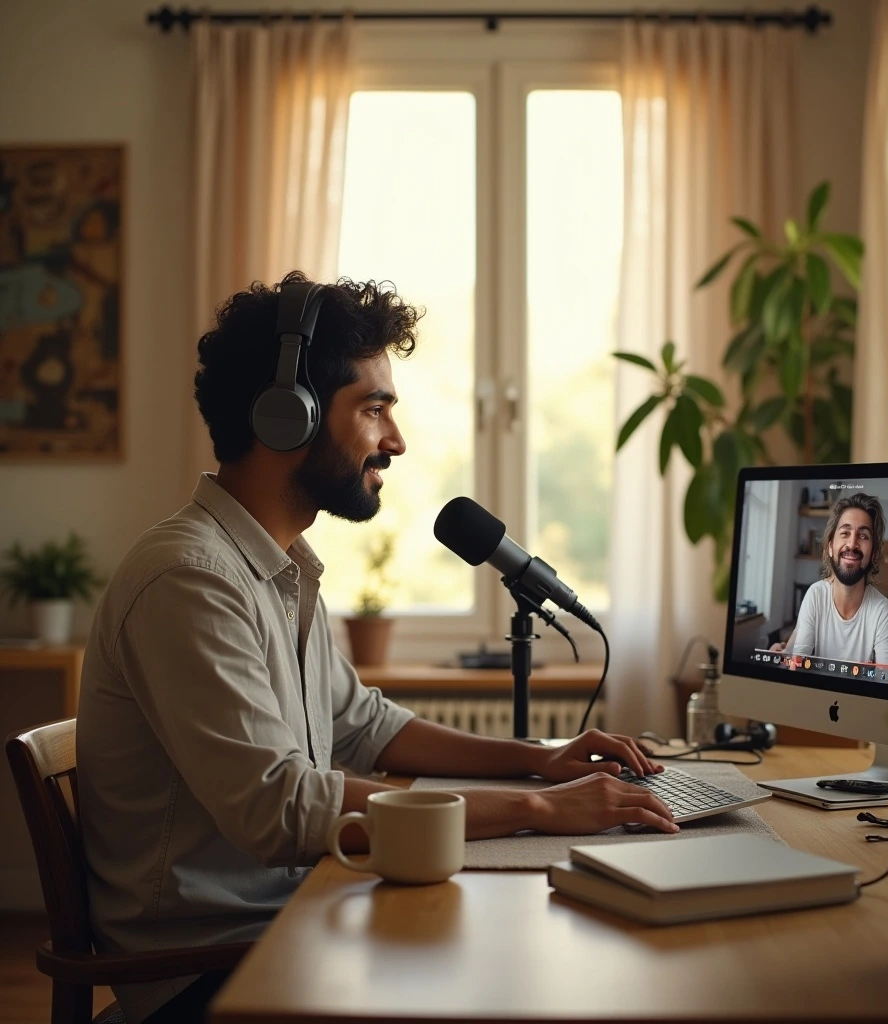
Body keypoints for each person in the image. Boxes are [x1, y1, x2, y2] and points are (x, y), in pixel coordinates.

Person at [76, 272, 676, 1024]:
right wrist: (537, 808)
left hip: (289, 922)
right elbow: (281, 808)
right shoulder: (189, 580)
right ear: (285, 417)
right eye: (374, 408)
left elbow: (365, 725)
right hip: (215, 973)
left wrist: (537, 759)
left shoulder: (276, 567)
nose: (395, 440)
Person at [770, 492, 888, 667]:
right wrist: (783, 659)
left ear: (873, 553)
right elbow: (796, 663)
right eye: (845, 533)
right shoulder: (815, 596)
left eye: (863, 536)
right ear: (831, 547)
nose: (852, 544)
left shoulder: (882, 612)